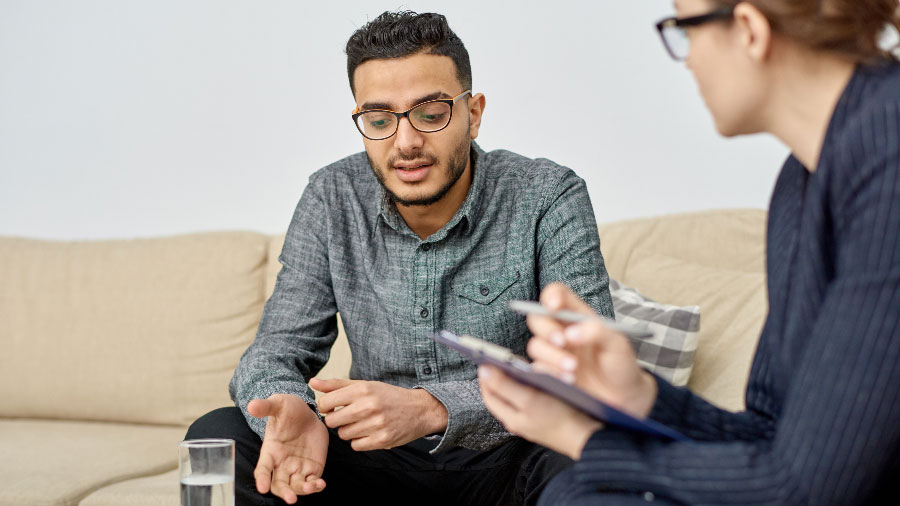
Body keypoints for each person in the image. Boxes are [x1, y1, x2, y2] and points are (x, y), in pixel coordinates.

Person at [185, 10, 615, 506]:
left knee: (596, 455)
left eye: (431, 113)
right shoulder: (331, 197)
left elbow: (590, 374)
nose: (406, 142)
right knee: (217, 436)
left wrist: (434, 408)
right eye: (380, 119)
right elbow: (272, 354)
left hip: (511, 457)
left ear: (473, 114)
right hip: (374, 462)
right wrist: (293, 407)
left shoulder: (547, 194)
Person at [478, 0, 900, 504]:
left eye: (684, 29)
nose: (687, 60)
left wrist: (580, 437)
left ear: (749, 30)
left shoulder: (887, 157)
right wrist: (640, 395)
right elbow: (768, 436)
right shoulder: (799, 183)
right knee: (576, 490)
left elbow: (803, 488)